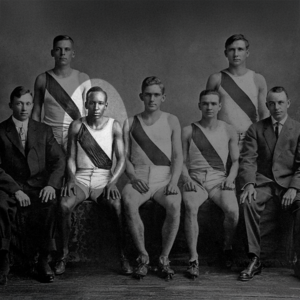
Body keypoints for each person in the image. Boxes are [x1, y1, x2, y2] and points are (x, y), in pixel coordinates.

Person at [54, 86, 132, 276]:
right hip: (80, 178)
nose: (96, 107)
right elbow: (71, 157)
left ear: (106, 105)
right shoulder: (77, 126)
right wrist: (71, 180)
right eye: (92, 102)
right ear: (86, 104)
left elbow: (122, 158)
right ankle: (62, 255)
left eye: (100, 103)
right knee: (64, 205)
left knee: (116, 205)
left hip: (103, 180)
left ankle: (123, 256)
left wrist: (112, 182)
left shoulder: (114, 125)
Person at [0, 87, 65, 285]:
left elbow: (59, 160)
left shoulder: (43, 130)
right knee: (0, 205)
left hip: (38, 185)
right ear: (11, 105)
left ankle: (44, 260)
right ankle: (2, 260)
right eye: (19, 103)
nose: (24, 108)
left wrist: (51, 185)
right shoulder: (1, 131)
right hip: (10, 186)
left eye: (28, 103)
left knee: (49, 203)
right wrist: (15, 190)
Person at [122, 76, 183, 280]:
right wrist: (131, 176)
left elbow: (177, 156)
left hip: (163, 178)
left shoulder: (171, 120)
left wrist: (173, 182)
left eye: (156, 95)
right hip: (139, 176)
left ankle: (164, 258)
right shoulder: (130, 122)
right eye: (148, 94)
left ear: (163, 97)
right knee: (129, 200)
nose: (152, 99)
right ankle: (143, 256)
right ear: (141, 96)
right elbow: (124, 157)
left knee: (175, 203)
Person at [239, 86, 300, 281]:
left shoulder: (298, 129)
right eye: (272, 103)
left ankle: (298, 261)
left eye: (281, 102)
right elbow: (248, 159)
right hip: (263, 183)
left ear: (288, 103)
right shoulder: (256, 129)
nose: (277, 107)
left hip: (289, 184)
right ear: (267, 105)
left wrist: (293, 187)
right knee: (248, 202)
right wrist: (249, 184)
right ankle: (254, 259)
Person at [181, 90, 239, 279]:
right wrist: (187, 179)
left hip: (218, 180)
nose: (209, 107)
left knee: (232, 211)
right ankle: (193, 259)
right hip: (196, 179)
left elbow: (236, 161)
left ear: (219, 106)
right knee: (190, 205)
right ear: (199, 105)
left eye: (213, 104)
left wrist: (230, 179)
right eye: (205, 103)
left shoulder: (228, 130)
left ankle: (227, 249)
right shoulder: (188, 130)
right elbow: (180, 161)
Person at [206, 34, 269, 148]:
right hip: (223, 138)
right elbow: (209, 111)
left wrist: (262, 139)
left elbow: (264, 113)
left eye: (240, 49)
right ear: (226, 53)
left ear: (247, 53)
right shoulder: (216, 79)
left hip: (250, 139)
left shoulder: (258, 79)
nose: (236, 54)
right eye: (232, 50)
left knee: (248, 166)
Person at [32, 35, 91, 151]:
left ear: (73, 54)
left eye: (67, 49)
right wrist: (35, 138)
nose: (62, 53)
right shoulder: (42, 79)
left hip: (77, 138)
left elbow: (90, 113)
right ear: (52, 52)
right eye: (58, 49)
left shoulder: (83, 78)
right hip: (50, 139)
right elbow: (36, 111)